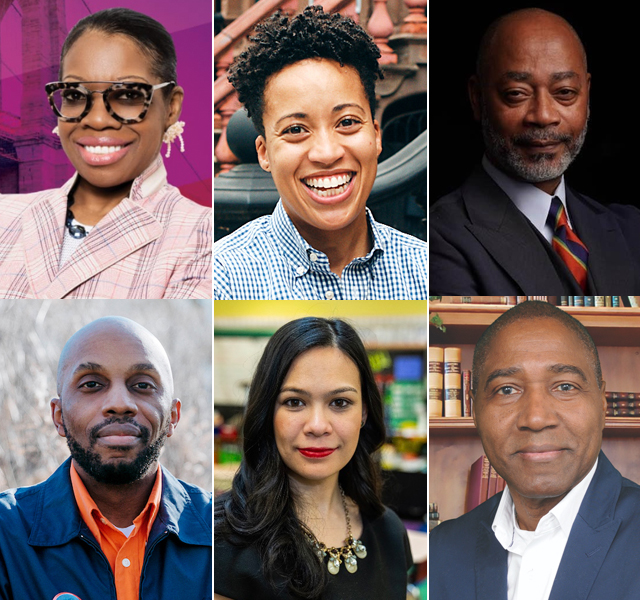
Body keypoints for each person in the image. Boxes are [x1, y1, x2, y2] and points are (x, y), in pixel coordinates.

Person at [213, 6, 428, 300]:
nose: (326, 153)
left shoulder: (424, 269)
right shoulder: (221, 276)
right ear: (264, 153)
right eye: (295, 129)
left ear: (376, 136)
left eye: (348, 123)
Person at [430, 301, 640, 599]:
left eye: (565, 387)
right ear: (474, 410)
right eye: (507, 389)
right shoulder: (440, 549)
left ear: (603, 404)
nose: (536, 418)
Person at [0, 8, 211, 299]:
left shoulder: (203, 238)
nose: (97, 119)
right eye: (74, 95)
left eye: (127, 95)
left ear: (171, 107)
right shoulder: (6, 215)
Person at [429, 8, 640, 295]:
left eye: (564, 92)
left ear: (586, 94)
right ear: (477, 99)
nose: (543, 115)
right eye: (516, 93)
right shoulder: (441, 237)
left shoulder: (631, 230)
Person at [0, 316, 212, 599]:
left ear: (173, 417)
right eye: (91, 385)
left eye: (142, 385)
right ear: (59, 417)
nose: (119, 404)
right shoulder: (6, 533)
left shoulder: (219, 529)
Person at [214, 317, 412, 599]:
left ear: (364, 413)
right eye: (295, 402)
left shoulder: (389, 532)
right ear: (268, 411)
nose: (318, 425)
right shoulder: (220, 540)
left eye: (339, 403)